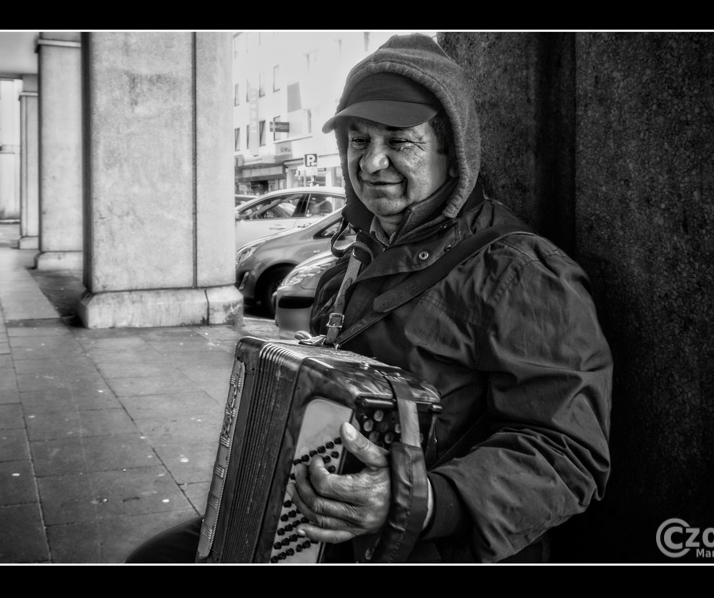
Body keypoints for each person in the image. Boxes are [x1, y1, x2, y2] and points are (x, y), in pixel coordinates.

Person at [126, 33, 611, 564]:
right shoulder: (348, 263)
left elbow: (567, 455)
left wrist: (418, 500)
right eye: (359, 140)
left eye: (400, 141)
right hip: (323, 521)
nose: (373, 162)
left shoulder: (520, 273)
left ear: (453, 152)